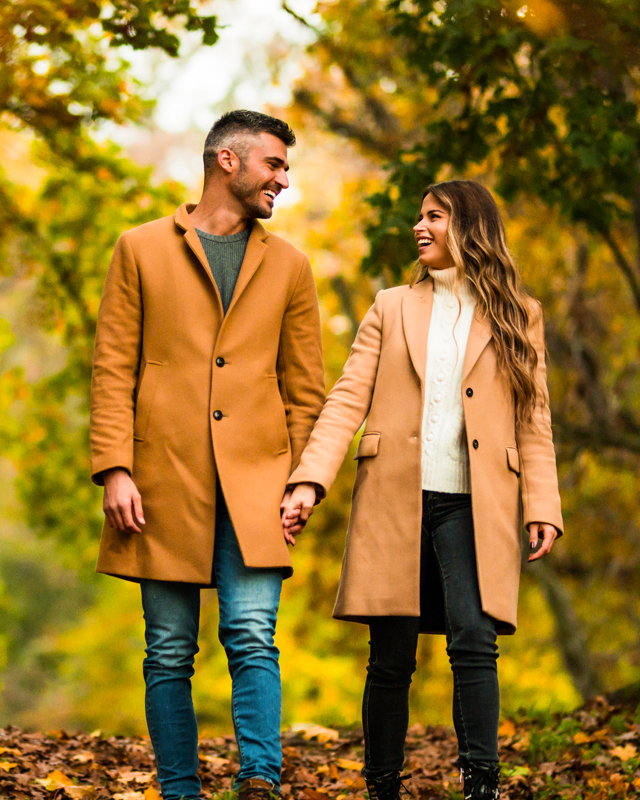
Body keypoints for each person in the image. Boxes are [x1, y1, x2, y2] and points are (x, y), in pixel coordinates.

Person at [281, 180, 563, 800]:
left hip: (474, 502)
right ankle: (381, 783)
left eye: (434, 216)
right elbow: (347, 398)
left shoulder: (520, 313)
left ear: (470, 227)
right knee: (391, 652)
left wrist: (542, 504)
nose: (420, 227)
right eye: (419, 217)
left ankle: (482, 783)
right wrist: (309, 480)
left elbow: (533, 419)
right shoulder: (390, 305)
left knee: (475, 638)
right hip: (394, 498)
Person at [90, 110, 325, 800]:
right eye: (274, 164)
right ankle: (180, 789)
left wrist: (303, 482)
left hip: (259, 484)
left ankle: (260, 779)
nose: (284, 178)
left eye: (285, 167)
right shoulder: (139, 249)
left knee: (252, 635)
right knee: (168, 649)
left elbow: (306, 391)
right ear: (228, 160)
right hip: (161, 479)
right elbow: (112, 369)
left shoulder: (290, 266)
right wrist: (115, 468)